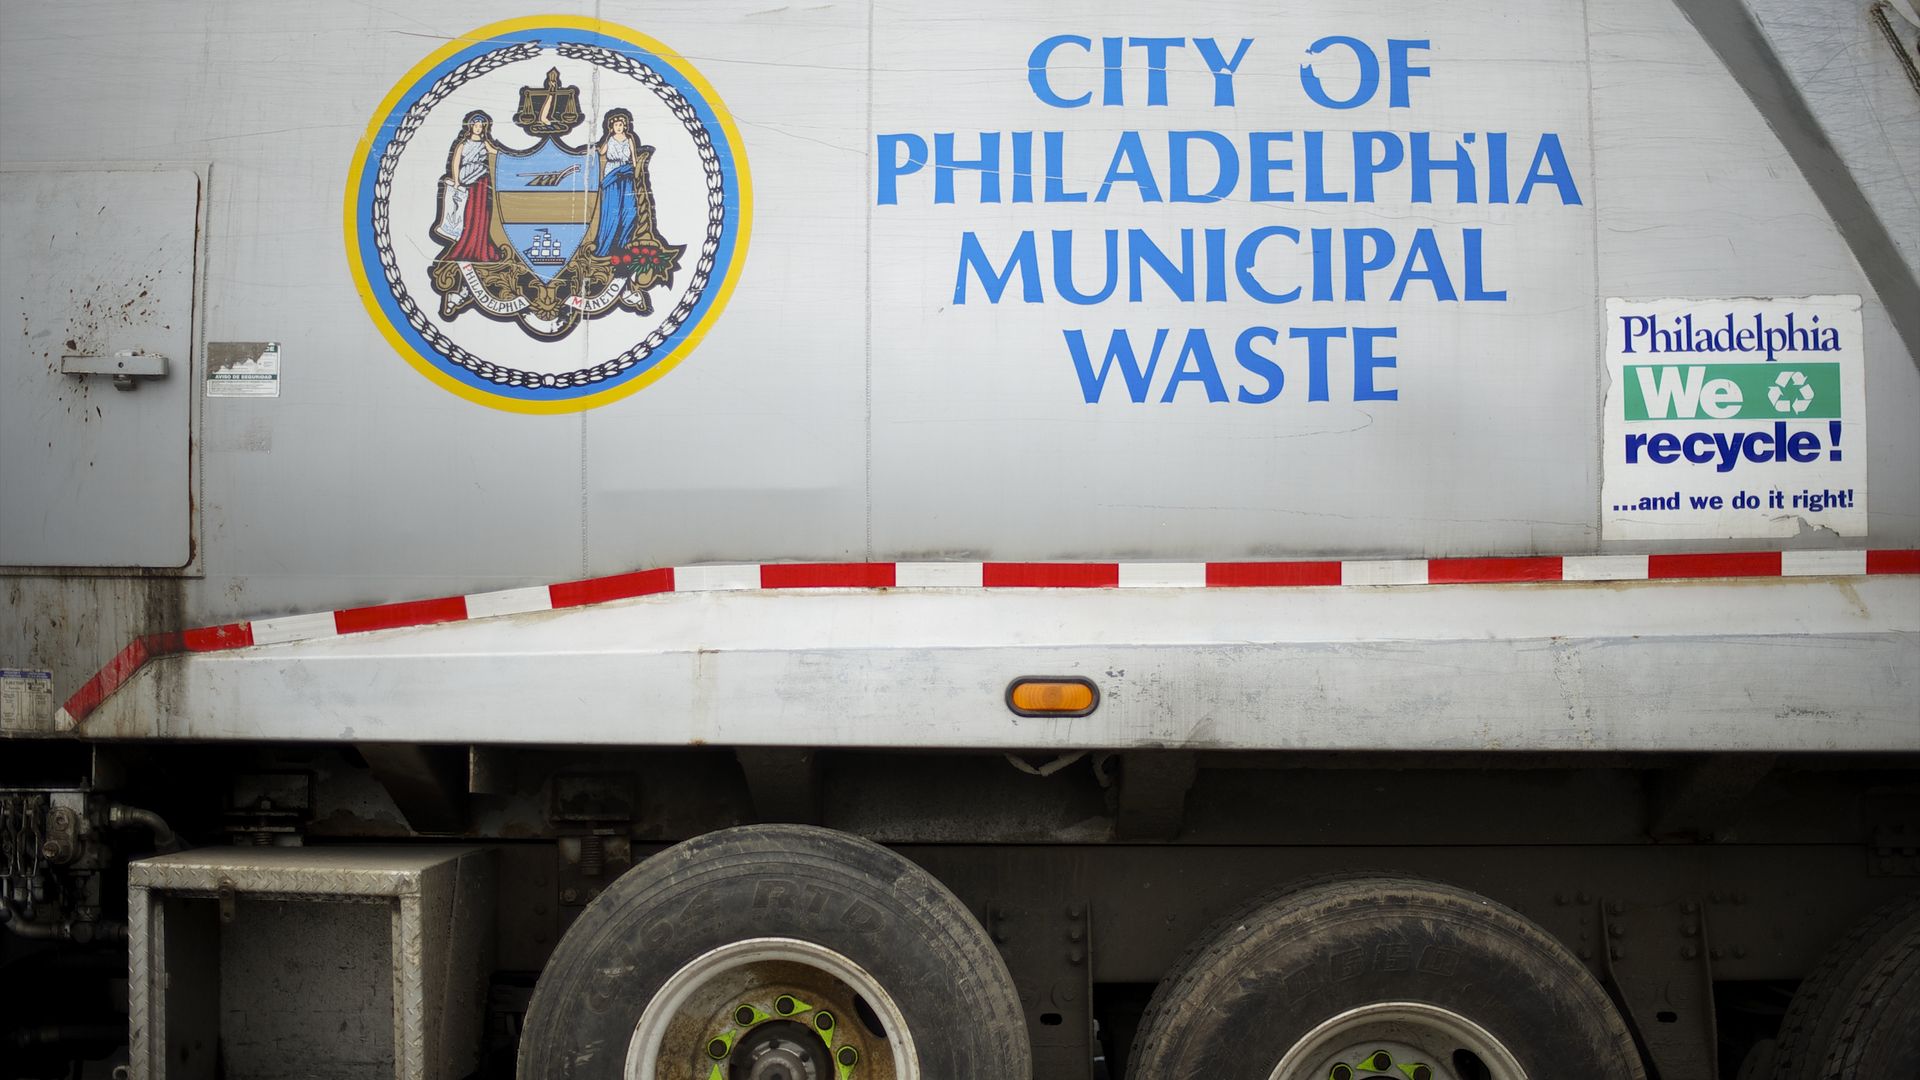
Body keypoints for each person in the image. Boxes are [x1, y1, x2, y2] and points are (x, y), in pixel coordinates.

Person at [437, 111, 502, 262]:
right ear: (471, 126)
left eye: (481, 126)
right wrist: (456, 181)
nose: (478, 128)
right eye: (476, 125)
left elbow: (495, 152)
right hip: (467, 182)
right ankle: (469, 244)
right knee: (469, 214)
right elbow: (456, 162)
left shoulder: (484, 142)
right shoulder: (463, 144)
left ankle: (481, 247)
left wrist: (510, 155)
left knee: (483, 214)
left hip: (482, 181)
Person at [592, 109, 643, 257]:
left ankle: (623, 242)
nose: (619, 127)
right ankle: (606, 244)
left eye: (621, 124)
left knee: (629, 209)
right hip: (612, 174)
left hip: (626, 173)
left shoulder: (629, 139)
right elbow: (602, 152)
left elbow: (634, 157)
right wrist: (594, 147)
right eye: (616, 125)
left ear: (624, 125)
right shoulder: (609, 139)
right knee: (612, 209)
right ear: (612, 127)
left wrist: (635, 172)